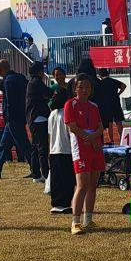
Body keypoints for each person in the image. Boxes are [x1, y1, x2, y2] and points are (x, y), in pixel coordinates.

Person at [66, 70, 104, 233]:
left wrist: (95, 137)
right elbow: (72, 127)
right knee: (81, 185)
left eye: (87, 87)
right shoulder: (71, 104)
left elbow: (101, 126)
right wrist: (88, 138)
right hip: (80, 149)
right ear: (75, 88)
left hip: (95, 148)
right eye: (81, 87)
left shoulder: (94, 106)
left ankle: (88, 219)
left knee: (93, 185)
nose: (84, 90)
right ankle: (75, 222)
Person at [0, 57, 28, 179]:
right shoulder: (21, 78)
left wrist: (6, 115)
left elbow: (9, 101)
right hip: (18, 116)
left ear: (0, 69)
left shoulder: (8, 81)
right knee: (4, 145)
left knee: (23, 144)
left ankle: (36, 168)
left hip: (12, 118)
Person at [46, 85, 75, 214]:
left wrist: (49, 151)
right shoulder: (67, 113)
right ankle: (65, 202)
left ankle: (56, 203)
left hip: (54, 150)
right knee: (67, 178)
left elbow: (49, 135)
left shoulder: (52, 114)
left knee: (56, 179)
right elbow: (70, 132)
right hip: (66, 150)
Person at [25, 68, 51, 182]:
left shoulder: (31, 82)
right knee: (42, 148)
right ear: (39, 72)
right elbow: (48, 93)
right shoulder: (37, 82)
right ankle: (46, 174)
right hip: (39, 118)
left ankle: (36, 174)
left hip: (32, 118)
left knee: (35, 147)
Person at [94, 64, 125, 146]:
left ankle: (111, 140)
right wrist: (118, 93)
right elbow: (124, 86)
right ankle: (123, 139)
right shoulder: (114, 81)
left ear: (100, 75)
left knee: (109, 124)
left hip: (107, 105)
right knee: (119, 122)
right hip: (116, 103)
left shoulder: (100, 83)